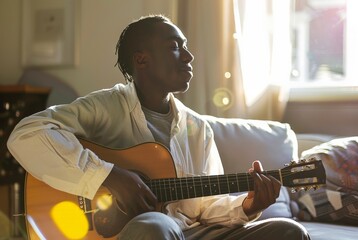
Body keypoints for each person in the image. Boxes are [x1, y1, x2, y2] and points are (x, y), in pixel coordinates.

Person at [7, 15, 310, 240]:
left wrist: (249, 203)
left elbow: (205, 207)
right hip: (135, 233)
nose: (189, 56)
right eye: (175, 47)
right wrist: (106, 175)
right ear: (142, 60)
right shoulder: (103, 108)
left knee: (288, 232)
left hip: (188, 232)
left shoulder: (197, 127)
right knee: (154, 225)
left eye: (187, 48)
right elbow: (26, 134)